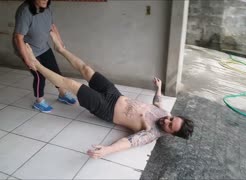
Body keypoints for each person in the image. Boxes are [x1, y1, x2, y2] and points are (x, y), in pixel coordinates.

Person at [24, 29, 194, 159]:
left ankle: (35, 63)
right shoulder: (166, 114)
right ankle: (61, 49)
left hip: (106, 109)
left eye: (170, 125)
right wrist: (158, 89)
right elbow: (158, 104)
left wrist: (107, 150)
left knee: (72, 84)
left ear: (171, 133)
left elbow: (128, 143)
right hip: (115, 94)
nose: (167, 120)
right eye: (172, 118)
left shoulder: (151, 134)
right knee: (86, 69)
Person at [13, 0, 76, 113]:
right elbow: (18, 38)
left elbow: (52, 26)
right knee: (39, 76)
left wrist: (60, 43)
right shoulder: (25, 11)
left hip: (43, 46)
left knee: (55, 71)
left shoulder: (47, 8)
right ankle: (39, 101)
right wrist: (27, 60)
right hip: (28, 50)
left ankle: (62, 94)